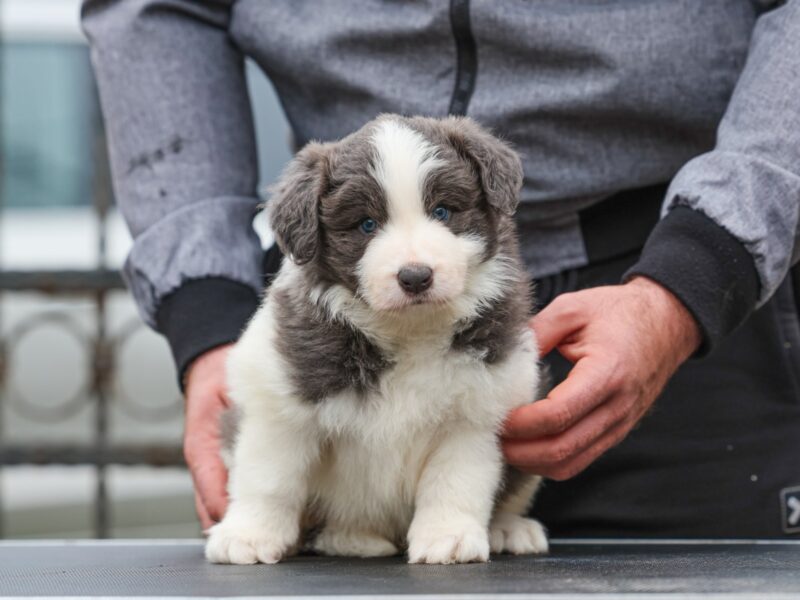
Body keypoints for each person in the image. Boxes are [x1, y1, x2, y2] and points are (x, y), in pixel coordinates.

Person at [82, 0, 800, 538]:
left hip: (671, 268)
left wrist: (697, 271)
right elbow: (155, 11)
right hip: (339, 299)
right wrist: (206, 309)